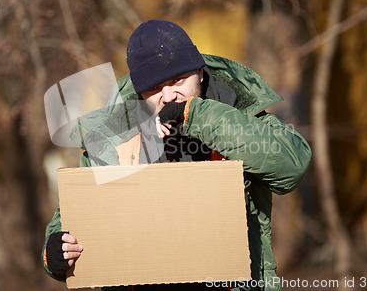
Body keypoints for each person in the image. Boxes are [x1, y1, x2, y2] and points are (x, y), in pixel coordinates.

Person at [42, 20, 312, 291]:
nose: (168, 95)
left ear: (200, 73)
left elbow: (292, 167)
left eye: (177, 80)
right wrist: (55, 253)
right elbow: (72, 221)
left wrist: (196, 115)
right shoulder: (113, 139)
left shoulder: (241, 112)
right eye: (154, 89)